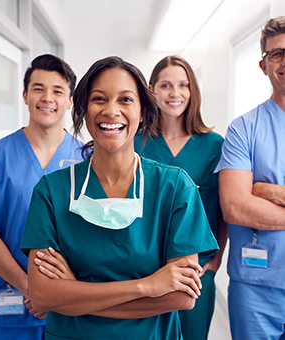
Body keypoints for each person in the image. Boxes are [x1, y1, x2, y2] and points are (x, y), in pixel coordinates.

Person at [20, 56, 218, 340]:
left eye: (125, 100)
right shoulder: (52, 191)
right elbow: (42, 295)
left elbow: (182, 298)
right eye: (99, 99)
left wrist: (75, 293)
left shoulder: (175, 187)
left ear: (143, 113)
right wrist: (147, 286)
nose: (111, 111)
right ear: (84, 110)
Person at [0, 54, 84, 340]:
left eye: (58, 90)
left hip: (71, 309)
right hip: (9, 303)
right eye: (38, 88)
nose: (47, 98)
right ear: (24, 95)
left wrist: (61, 294)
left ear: (70, 100)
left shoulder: (88, 159)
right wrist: (30, 287)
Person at [134, 55, 228, 340]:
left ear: (192, 90)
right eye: (165, 85)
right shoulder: (136, 143)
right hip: (144, 270)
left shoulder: (214, 145)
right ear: (151, 90)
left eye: (183, 85)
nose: (175, 93)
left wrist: (216, 259)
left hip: (196, 272)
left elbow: (223, 210)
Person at [214, 16, 285, 339]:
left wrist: (267, 191)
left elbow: (248, 199)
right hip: (256, 288)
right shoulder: (244, 129)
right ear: (263, 65)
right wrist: (250, 195)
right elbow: (235, 207)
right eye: (277, 53)